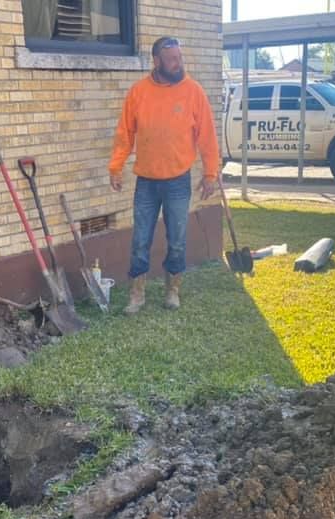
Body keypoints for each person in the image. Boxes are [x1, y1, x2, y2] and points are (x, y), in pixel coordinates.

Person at [109, 36, 220, 313]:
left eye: (179, 57)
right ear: (156, 61)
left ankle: (173, 291)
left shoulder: (193, 91)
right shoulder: (138, 92)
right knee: (140, 240)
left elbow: (207, 136)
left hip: (178, 182)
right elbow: (125, 134)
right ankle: (137, 295)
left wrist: (210, 173)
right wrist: (116, 166)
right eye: (172, 59)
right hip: (146, 181)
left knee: (178, 240)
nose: (178, 63)